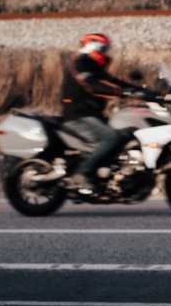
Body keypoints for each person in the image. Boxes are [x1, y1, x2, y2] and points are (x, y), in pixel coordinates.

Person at [60, 33, 141, 193]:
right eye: (103, 49)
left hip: (93, 115)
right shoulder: (81, 62)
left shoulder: (95, 66)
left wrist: (144, 91)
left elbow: (113, 82)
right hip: (79, 116)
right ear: (92, 46)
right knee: (111, 137)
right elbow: (93, 85)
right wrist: (122, 92)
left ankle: (112, 174)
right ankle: (83, 172)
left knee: (125, 133)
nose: (105, 53)